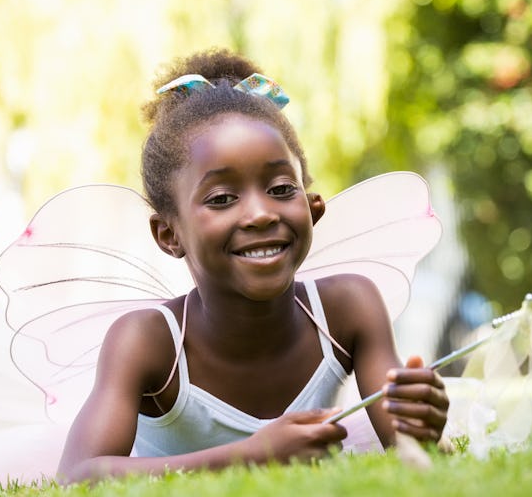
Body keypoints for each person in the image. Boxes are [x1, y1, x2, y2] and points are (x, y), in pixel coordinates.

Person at [55, 48, 449, 483]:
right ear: (170, 235)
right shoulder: (147, 341)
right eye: (222, 198)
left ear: (313, 207)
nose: (261, 214)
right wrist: (252, 453)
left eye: (281, 188)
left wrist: (420, 425)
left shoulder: (348, 307)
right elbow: (79, 475)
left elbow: (407, 444)